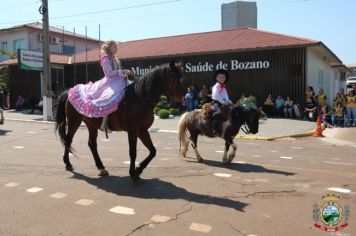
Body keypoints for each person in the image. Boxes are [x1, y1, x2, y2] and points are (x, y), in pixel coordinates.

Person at [68, 40, 133, 132]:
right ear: (109, 48)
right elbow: (109, 73)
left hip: (119, 81)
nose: (116, 48)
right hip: (110, 82)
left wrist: (123, 75)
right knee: (109, 98)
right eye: (114, 47)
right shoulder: (105, 58)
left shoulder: (114, 58)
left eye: (116, 47)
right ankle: (103, 124)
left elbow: (117, 72)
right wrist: (123, 71)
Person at [211, 69, 233, 136]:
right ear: (216, 78)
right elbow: (217, 96)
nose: (222, 78)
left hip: (224, 102)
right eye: (220, 77)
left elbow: (226, 96)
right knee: (217, 113)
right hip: (216, 102)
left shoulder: (223, 87)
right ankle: (215, 130)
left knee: (233, 110)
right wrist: (224, 102)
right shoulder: (216, 86)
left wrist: (230, 102)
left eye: (223, 77)